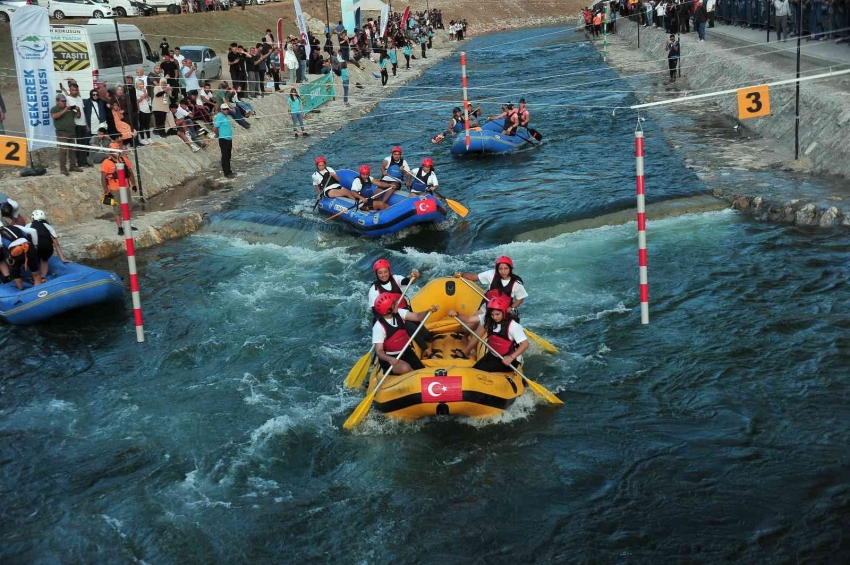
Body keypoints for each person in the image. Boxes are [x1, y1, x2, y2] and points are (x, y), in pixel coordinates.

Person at [372, 292, 438, 375]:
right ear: (388, 309)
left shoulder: (399, 312)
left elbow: (418, 317)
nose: (397, 303)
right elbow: (379, 351)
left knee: (422, 372)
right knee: (405, 368)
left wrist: (428, 311)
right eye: (394, 303)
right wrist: (390, 359)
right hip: (391, 357)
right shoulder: (378, 327)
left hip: (406, 351)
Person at [460, 295, 529, 372]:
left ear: (504, 312)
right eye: (492, 314)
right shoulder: (489, 319)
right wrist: (456, 314)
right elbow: (469, 319)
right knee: (474, 369)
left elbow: (525, 344)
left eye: (497, 314)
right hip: (493, 355)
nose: (495, 317)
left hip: (509, 360)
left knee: (477, 372)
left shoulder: (513, 326)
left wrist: (511, 358)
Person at [454, 255, 528, 320]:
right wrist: (461, 274)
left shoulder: (516, 282)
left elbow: (520, 298)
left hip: (503, 311)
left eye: (506, 268)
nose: (503, 271)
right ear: (497, 269)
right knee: (469, 324)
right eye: (500, 269)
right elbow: (474, 277)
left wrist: (511, 308)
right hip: (488, 307)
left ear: (510, 269)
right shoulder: (491, 274)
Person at [101, 142, 139, 236]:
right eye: (114, 151)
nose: (116, 153)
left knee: (128, 206)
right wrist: (106, 191)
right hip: (114, 189)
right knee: (117, 208)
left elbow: (130, 173)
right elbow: (103, 178)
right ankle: (120, 227)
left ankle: (128, 224)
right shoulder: (106, 163)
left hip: (125, 187)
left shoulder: (124, 160)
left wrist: (134, 184)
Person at [27, 210, 69, 279]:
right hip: (48, 249)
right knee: (44, 260)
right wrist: (62, 258)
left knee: (34, 259)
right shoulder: (48, 226)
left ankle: (36, 278)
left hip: (35, 249)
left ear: (33, 217)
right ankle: (43, 277)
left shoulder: (28, 226)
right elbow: (56, 243)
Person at [0, 224, 42, 289]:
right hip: (28, 247)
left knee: (15, 273)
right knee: (36, 273)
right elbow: (33, 231)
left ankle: (21, 290)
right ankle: (38, 290)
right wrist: (35, 246)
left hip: (15, 252)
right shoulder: (15, 226)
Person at [50, 93, 81, 176]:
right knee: (63, 150)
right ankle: (63, 168)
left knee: (73, 149)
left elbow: (78, 116)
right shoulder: (55, 109)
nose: (64, 103)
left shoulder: (69, 109)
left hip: (71, 132)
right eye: (62, 101)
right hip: (62, 132)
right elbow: (54, 116)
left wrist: (78, 110)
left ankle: (73, 166)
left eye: (65, 101)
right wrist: (64, 111)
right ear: (57, 101)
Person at [213, 103, 237, 179]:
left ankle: (229, 171)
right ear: (221, 110)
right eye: (224, 109)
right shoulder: (219, 116)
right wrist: (217, 135)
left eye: (227, 109)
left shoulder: (226, 116)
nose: (226, 110)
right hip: (223, 139)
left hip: (229, 139)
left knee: (228, 155)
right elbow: (215, 128)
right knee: (225, 156)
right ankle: (227, 173)